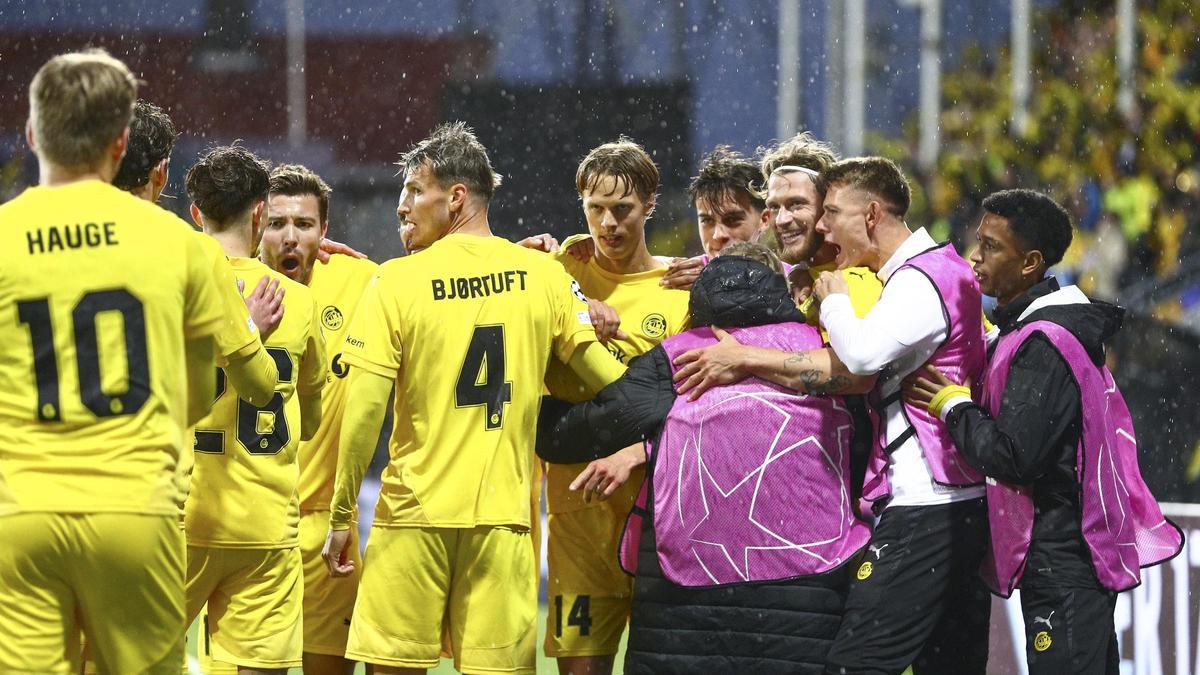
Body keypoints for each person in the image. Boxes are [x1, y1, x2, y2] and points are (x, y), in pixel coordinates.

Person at [321, 122, 625, 675]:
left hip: (413, 518)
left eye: (415, 190)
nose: (402, 207)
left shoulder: (395, 281)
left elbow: (364, 413)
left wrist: (342, 512)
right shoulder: (542, 273)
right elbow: (610, 384)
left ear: (456, 196)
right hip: (502, 525)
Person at [538, 243, 874, 674]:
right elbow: (862, 443)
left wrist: (530, 414)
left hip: (687, 596)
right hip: (807, 586)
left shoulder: (680, 352)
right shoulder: (826, 352)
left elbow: (598, 425)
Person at [0, 49, 226, 673]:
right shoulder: (179, 242)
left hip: (22, 512)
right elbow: (199, 395)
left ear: (31, 133)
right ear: (121, 140)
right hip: (135, 507)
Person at [904, 189, 1183, 674]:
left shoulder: (1044, 342)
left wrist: (954, 408)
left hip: (1062, 556)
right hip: (1073, 549)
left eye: (991, 246)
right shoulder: (1043, 330)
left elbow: (1016, 456)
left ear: (1030, 262)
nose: (975, 256)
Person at [809, 157, 990, 674]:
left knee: (854, 663)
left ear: (870, 214)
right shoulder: (945, 270)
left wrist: (834, 301)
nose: (823, 226)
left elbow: (863, 356)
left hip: (925, 505)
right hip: (958, 499)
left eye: (832, 212)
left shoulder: (919, 280)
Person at [541, 138, 692, 675]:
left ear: (651, 204)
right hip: (578, 523)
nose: (608, 223)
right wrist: (576, 300)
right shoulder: (557, 273)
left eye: (623, 209)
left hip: (663, 520)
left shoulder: (682, 289)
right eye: (595, 209)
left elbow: (698, 404)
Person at [184, 145, 327, 674]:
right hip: (265, 522)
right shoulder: (299, 301)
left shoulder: (174, 286)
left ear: (195, 213)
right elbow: (308, 420)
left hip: (184, 512)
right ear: (260, 213)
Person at [260, 163, 379, 675]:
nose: (291, 237)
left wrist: (526, 253)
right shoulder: (222, 284)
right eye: (277, 223)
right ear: (256, 224)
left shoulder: (363, 282)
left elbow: (441, 277)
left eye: (304, 225)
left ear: (324, 231)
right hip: (252, 527)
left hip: (327, 528)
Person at [689, 145, 768, 258]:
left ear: (764, 219)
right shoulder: (682, 273)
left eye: (732, 220)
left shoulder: (790, 275)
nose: (718, 235)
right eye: (707, 221)